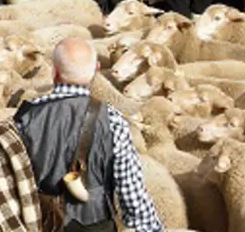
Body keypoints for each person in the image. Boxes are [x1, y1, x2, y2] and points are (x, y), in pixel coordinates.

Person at [14, 38, 163, 231]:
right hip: (95, 223)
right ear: (97, 69)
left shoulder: (24, 117)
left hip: (38, 223)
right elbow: (131, 191)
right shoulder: (113, 119)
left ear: (54, 71)